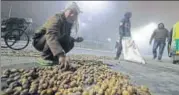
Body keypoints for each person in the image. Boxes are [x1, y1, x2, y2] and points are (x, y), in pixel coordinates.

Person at [32, 2, 83, 69]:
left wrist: (75, 39)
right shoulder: (56, 18)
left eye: (76, 13)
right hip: (39, 41)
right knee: (54, 35)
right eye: (71, 11)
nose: (73, 14)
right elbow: (51, 35)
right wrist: (61, 55)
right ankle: (45, 57)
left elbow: (65, 37)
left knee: (69, 41)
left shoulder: (68, 23)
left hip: (50, 41)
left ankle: (53, 57)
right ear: (66, 10)